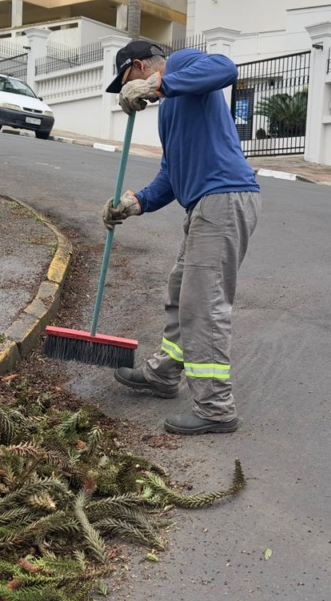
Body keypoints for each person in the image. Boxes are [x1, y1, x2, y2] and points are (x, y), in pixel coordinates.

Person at [101, 40, 261, 436]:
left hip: (223, 198)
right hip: (204, 205)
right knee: (180, 291)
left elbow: (225, 68)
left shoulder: (183, 67)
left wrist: (157, 85)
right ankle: (164, 374)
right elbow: (172, 174)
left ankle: (216, 407)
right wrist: (133, 203)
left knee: (202, 304)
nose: (127, 94)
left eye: (126, 82)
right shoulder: (168, 110)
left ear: (140, 66)